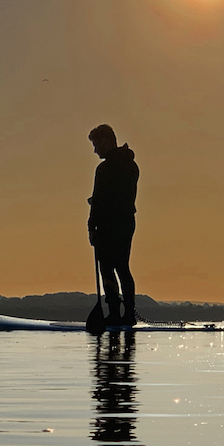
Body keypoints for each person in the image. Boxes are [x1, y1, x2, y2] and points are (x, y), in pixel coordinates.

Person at [88, 124, 139, 326]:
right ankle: (128, 314)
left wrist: (91, 227)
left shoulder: (104, 169)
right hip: (126, 223)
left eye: (96, 144)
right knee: (122, 267)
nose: (95, 150)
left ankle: (116, 314)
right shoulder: (131, 165)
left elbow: (101, 201)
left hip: (109, 225)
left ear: (107, 141)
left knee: (108, 268)